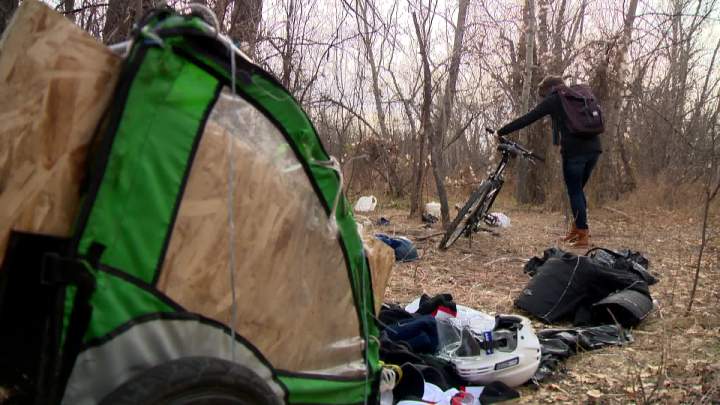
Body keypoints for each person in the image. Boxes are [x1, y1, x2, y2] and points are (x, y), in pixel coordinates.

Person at [496, 75, 602, 247]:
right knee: (577, 191)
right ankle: (577, 228)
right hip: (594, 149)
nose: (544, 98)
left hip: (574, 151)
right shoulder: (577, 95)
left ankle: (582, 233)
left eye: (543, 95)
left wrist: (501, 131)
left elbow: (528, 118)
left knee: (575, 191)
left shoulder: (555, 98)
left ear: (548, 89)